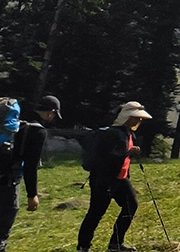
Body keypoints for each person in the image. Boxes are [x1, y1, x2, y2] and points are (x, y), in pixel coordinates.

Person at [77, 101, 151, 252]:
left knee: (131, 205)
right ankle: (83, 246)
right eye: (137, 118)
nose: (139, 121)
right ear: (127, 117)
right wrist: (127, 153)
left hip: (121, 178)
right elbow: (107, 157)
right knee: (96, 213)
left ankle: (116, 244)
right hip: (103, 180)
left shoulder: (129, 134)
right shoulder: (112, 133)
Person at [0, 96, 60, 252]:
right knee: (2, 232)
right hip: (8, 182)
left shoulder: (15, 124)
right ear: (51, 113)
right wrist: (32, 194)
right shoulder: (37, 131)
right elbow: (30, 165)